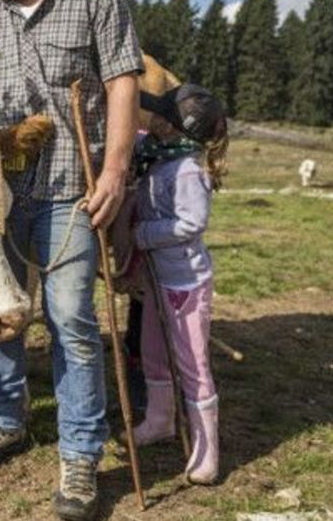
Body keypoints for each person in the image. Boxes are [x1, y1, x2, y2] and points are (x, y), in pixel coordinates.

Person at [0, 0, 142, 521]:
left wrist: (115, 168)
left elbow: (122, 82)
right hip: (1, 191)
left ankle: (81, 453)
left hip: (71, 185)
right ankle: (6, 420)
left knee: (71, 320)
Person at [128, 82, 229, 485]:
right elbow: (131, 141)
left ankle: (207, 449)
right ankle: (159, 420)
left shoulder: (187, 170)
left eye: (159, 114)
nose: (150, 119)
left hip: (185, 283)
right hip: (157, 279)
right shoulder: (158, 155)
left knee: (192, 364)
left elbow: (191, 223)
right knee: (152, 351)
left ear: (174, 127)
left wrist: (143, 235)